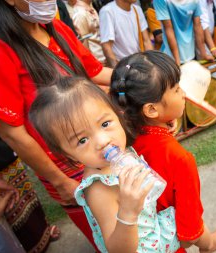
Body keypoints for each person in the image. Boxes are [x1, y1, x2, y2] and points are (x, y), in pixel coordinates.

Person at [0, 0, 112, 250]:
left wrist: (141, 73)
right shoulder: (1, 49)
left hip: (100, 145)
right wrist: (59, 180)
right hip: (65, 165)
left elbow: (93, 71)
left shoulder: (56, 28)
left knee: (131, 221)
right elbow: (12, 133)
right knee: (108, 236)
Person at [29, 76, 180, 253]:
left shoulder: (121, 154)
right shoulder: (99, 189)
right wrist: (128, 212)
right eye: (82, 140)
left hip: (155, 230)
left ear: (118, 115)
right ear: (69, 155)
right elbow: (117, 249)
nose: (102, 141)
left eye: (105, 123)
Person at [110, 50, 216, 253]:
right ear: (150, 110)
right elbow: (189, 233)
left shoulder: (120, 138)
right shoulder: (180, 159)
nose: (183, 93)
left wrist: (163, 120)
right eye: (176, 89)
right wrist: (211, 242)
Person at [153, 0, 213, 65]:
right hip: (170, 57)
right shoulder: (160, 1)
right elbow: (168, 28)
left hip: (190, 54)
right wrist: (177, 61)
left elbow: (198, 25)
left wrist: (203, 54)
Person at [100, 0, 154, 68]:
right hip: (122, 65)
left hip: (139, 63)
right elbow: (107, 46)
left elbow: (146, 41)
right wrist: (118, 72)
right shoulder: (108, 11)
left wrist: (152, 64)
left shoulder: (137, 9)